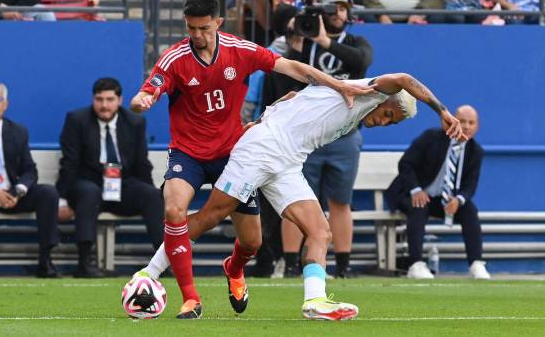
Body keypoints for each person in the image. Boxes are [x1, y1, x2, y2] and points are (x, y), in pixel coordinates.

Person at [129, 0, 373, 319]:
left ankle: (234, 267)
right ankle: (190, 298)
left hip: (234, 154)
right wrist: (143, 99)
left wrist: (337, 84)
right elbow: (151, 86)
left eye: (204, 29)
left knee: (252, 242)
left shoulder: (239, 50)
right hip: (188, 153)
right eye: (191, 29)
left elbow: (292, 68)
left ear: (218, 22)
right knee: (174, 210)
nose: (197, 36)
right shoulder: (175, 58)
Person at [167, 72, 465, 320]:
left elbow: (296, 96)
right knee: (213, 215)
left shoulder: (350, 100)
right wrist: (442, 111)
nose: (384, 122)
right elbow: (403, 78)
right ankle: (147, 275)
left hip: (287, 161)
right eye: (388, 114)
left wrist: (266, 118)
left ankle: (315, 301)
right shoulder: (371, 91)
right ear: (384, 99)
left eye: (392, 122)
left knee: (320, 231)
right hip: (265, 150)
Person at [278, 0, 373, 278]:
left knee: (341, 202)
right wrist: (296, 38)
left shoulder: (356, 42)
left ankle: (343, 265)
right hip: (307, 134)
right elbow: (284, 75)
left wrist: (324, 41)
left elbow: (360, 62)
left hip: (344, 134)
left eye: (343, 8)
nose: (338, 14)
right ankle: (291, 263)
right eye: (332, 8)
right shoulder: (305, 43)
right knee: (295, 200)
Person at [56, 77, 164, 278]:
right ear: (93, 99)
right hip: (89, 185)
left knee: (150, 194)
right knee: (89, 192)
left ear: (120, 100)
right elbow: (69, 163)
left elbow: (141, 163)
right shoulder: (77, 120)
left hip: (122, 186)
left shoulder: (135, 121)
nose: (104, 105)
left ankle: (163, 262)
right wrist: (62, 199)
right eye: (99, 99)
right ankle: (85, 263)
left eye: (109, 99)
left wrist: (153, 194)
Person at [385, 105, 490, 279]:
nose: (466, 126)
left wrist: (459, 199)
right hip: (414, 194)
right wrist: (416, 190)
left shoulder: (475, 151)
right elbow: (406, 164)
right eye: (462, 121)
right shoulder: (431, 137)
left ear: (477, 127)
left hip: (445, 201)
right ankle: (415, 264)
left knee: (469, 210)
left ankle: (476, 263)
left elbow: (470, 184)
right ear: (453, 121)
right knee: (419, 206)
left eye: (471, 123)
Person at [0, 80, 60, 277]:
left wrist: (17, 191)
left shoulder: (18, 131)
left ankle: (45, 260)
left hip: (12, 194)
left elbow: (30, 170)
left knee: (47, 193)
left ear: (5, 104)